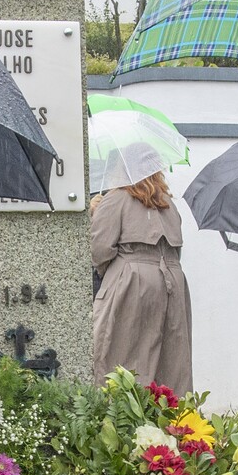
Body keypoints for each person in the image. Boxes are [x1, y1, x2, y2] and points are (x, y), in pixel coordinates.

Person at [89, 167, 192, 390]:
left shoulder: (115, 198)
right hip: (172, 281)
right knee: (170, 361)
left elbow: (100, 250)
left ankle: (122, 416)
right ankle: (169, 418)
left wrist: (96, 216)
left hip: (131, 279)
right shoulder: (168, 204)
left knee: (118, 354)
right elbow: (177, 251)